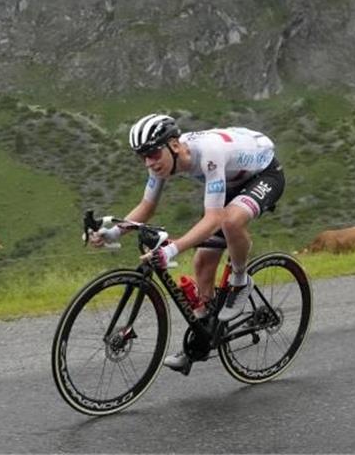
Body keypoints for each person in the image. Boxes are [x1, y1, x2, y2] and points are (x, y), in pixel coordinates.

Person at [91, 113, 285, 373]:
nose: (149, 162)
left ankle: (241, 280)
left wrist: (172, 249)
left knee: (229, 222)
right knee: (202, 262)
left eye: (153, 153)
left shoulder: (209, 153)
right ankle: (201, 338)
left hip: (264, 174)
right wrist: (113, 233)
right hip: (230, 181)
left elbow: (215, 218)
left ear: (173, 145)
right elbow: (147, 207)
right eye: (142, 156)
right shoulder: (161, 161)